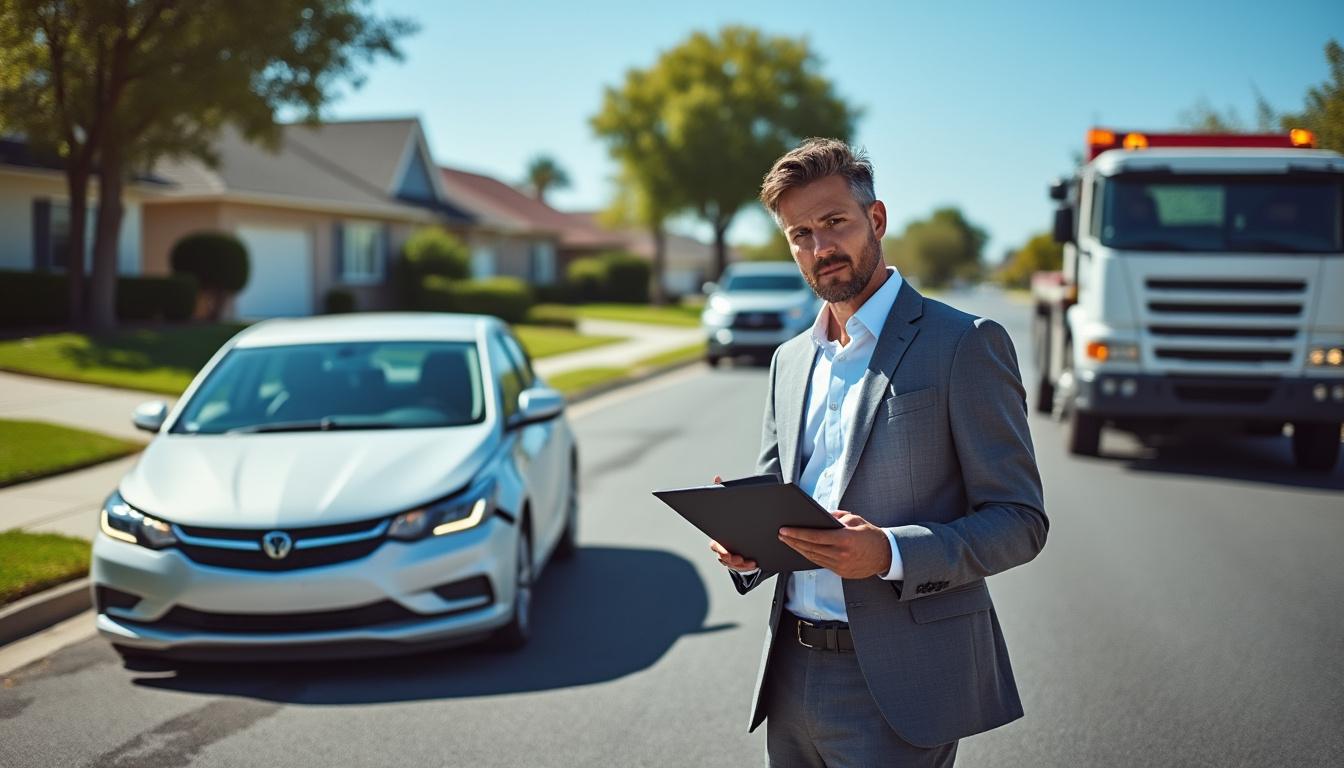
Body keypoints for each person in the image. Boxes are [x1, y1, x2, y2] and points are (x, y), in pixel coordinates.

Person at [710, 138, 1048, 767]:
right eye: (799, 234)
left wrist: (887, 553)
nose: (819, 248)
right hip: (788, 673)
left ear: (877, 219)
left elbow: (1020, 522)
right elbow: (773, 490)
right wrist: (746, 547)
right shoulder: (789, 360)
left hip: (899, 680)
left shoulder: (964, 344)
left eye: (833, 222)